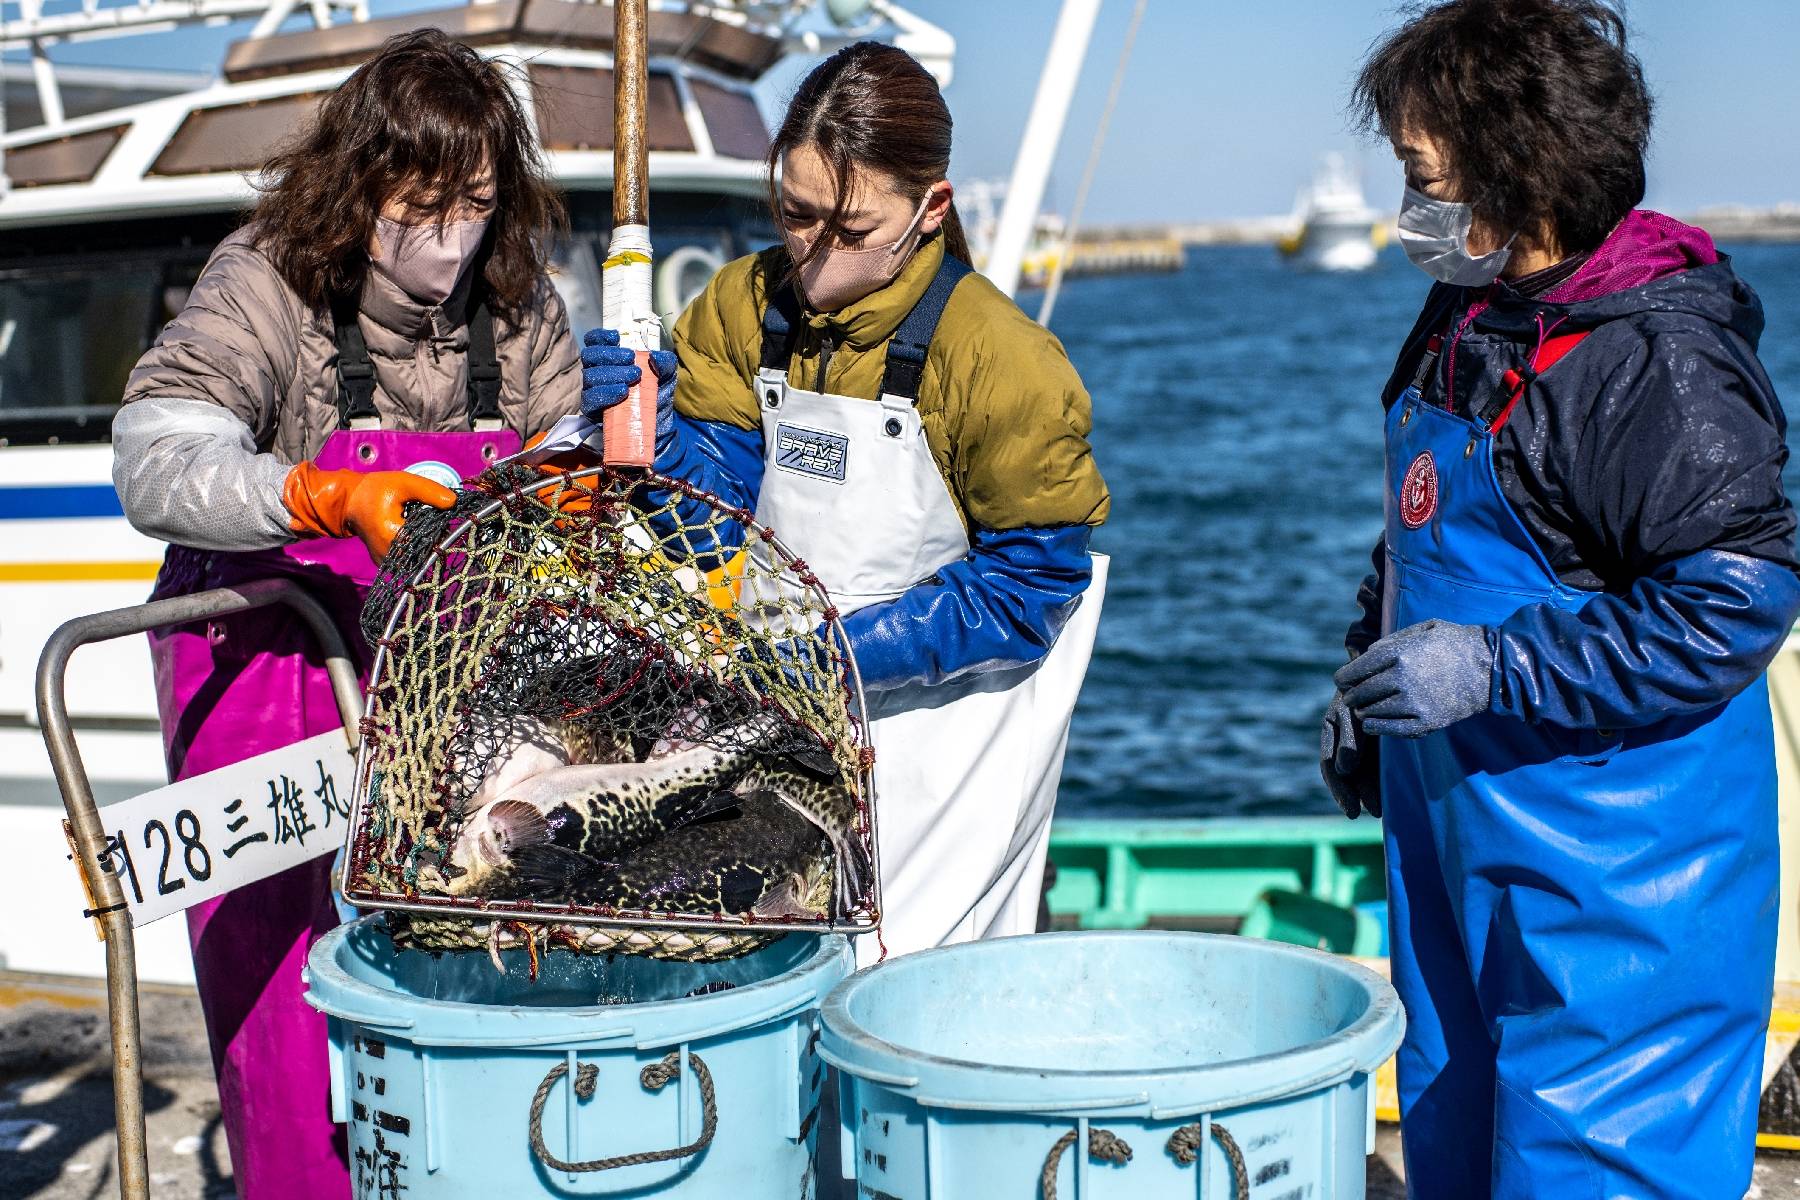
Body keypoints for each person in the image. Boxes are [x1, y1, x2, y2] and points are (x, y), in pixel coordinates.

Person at [1319, 1, 1800, 1195]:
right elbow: (1423, 521)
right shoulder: (1469, 315)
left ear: (1512, 174)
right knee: (1454, 1133)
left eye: (1423, 174)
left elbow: (1738, 596)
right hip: (1462, 836)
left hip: (1620, 876)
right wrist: (1367, 680)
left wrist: (1495, 668)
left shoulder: (1657, 365)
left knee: (1590, 1166)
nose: (1411, 206)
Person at [112, 30, 577, 1198]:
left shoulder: (521, 306)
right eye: (422, 204)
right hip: (265, 675)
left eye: (475, 202)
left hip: (458, 685)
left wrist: (580, 480)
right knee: (286, 1018)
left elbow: (568, 451)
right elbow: (153, 455)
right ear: (361, 186)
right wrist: (314, 492)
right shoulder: (265, 280)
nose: (450, 236)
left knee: (478, 979)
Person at [577, 42, 1108, 963]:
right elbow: (711, 534)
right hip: (769, 721)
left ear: (930, 208)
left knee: (907, 1002)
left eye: (852, 228)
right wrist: (655, 445)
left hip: (940, 760)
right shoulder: (743, 307)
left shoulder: (1001, 359)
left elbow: (1030, 587)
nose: (815, 253)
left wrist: (838, 657)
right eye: (794, 215)